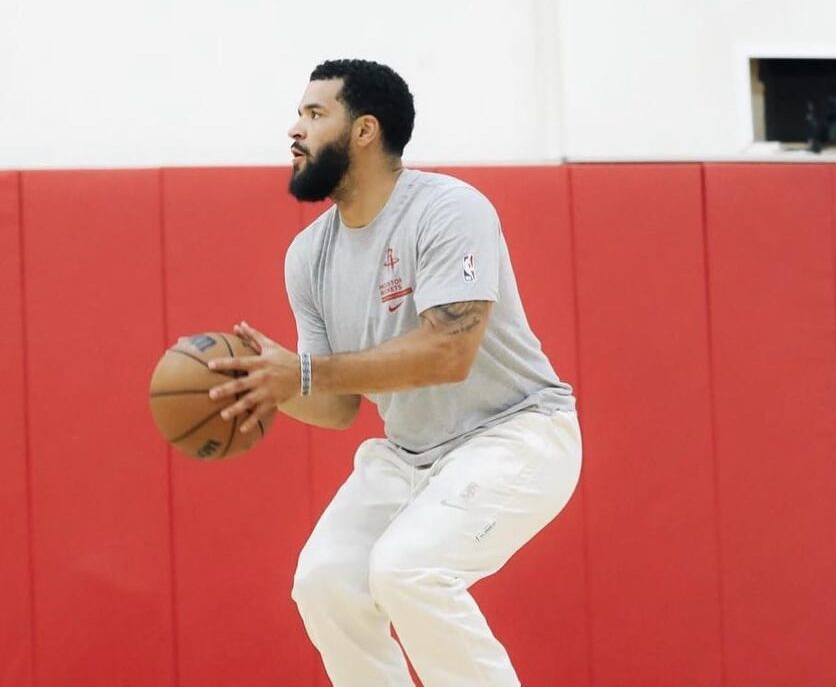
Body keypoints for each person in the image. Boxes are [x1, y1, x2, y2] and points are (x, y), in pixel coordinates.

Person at [207, 58, 580, 687]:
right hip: (411, 455)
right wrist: (271, 382)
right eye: (298, 113)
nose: (295, 129)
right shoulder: (308, 256)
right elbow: (337, 405)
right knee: (326, 581)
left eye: (315, 113)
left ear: (365, 130)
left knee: (407, 570)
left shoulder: (449, 209)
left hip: (517, 435)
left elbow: (448, 353)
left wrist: (304, 373)